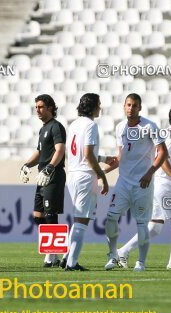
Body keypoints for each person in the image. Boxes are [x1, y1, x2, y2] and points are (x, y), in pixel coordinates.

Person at [117, 105, 171, 270]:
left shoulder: (169, 135)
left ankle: (123, 251)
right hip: (166, 185)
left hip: (158, 185)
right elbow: (162, 158)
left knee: (155, 227)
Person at [103, 93, 168, 271]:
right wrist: (102, 172)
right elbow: (120, 156)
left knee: (141, 224)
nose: (131, 108)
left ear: (140, 108)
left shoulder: (150, 126)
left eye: (135, 105)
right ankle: (113, 255)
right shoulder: (119, 127)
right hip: (123, 183)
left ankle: (141, 262)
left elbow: (163, 152)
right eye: (128, 105)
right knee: (110, 219)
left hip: (142, 184)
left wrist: (150, 173)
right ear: (124, 107)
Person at [64, 93, 111, 271]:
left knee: (77, 220)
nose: (100, 107)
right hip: (85, 176)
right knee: (81, 221)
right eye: (98, 104)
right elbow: (89, 155)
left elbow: (78, 153)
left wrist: (105, 158)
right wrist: (103, 177)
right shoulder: (91, 125)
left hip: (73, 174)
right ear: (92, 107)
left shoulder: (73, 124)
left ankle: (67, 257)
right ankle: (72, 263)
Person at [20, 94, 66, 267]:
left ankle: (52, 255)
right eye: (36, 107)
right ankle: (52, 252)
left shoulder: (56, 127)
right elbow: (39, 152)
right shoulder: (43, 129)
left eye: (41, 107)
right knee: (38, 218)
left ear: (50, 108)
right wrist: (26, 165)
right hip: (42, 176)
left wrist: (51, 167)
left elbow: (60, 149)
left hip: (53, 175)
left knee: (50, 214)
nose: (37, 110)